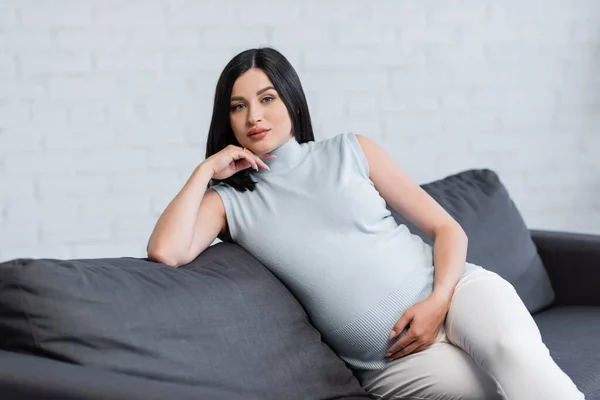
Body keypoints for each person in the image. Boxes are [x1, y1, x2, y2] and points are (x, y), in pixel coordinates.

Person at [147, 47, 584, 400]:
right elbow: (166, 251)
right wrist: (204, 171)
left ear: (291, 100)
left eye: (266, 99)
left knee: (514, 353)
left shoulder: (350, 150)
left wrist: (437, 303)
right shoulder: (228, 201)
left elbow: (448, 229)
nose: (253, 117)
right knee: (492, 390)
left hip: (455, 293)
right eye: (238, 107)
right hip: (394, 361)